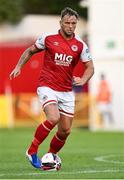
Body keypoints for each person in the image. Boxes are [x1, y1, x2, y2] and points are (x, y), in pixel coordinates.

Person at [10, 7, 94, 169]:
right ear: (61, 23)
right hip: (47, 86)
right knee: (53, 117)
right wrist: (18, 66)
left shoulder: (80, 45)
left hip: (66, 91)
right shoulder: (48, 38)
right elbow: (30, 51)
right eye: (67, 23)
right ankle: (32, 150)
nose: (70, 26)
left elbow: (90, 67)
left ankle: (50, 157)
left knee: (65, 131)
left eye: (73, 23)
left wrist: (83, 79)